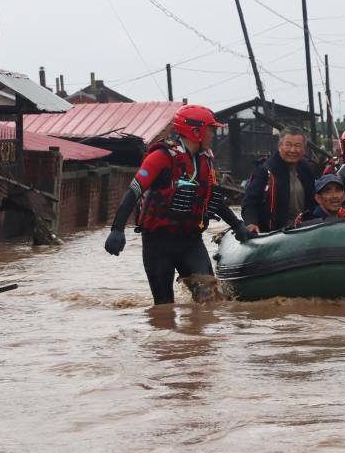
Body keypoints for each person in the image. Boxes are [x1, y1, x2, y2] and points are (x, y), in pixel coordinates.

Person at [104, 104, 252, 304]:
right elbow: (133, 191)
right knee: (164, 308)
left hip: (190, 241)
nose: (213, 134)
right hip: (157, 244)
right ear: (196, 131)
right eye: (211, 129)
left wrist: (237, 225)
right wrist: (117, 229)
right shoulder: (161, 157)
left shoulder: (205, 160)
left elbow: (211, 199)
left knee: (209, 298)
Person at [242, 126, 316, 233]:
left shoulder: (307, 169)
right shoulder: (265, 170)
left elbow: (315, 201)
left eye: (297, 145)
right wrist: (251, 223)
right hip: (274, 231)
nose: (293, 150)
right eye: (288, 145)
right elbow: (249, 202)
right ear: (280, 146)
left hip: (304, 228)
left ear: (304, 149)